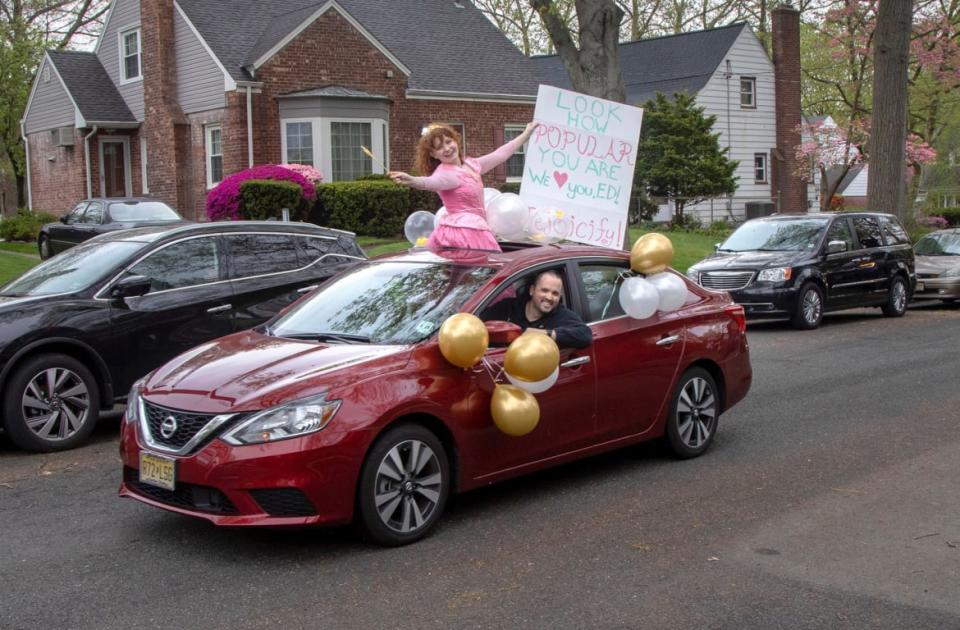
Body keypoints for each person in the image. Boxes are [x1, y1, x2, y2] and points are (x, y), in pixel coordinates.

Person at [389, 121, 539, 251]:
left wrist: (526, 133)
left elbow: (500, 154)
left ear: (456, 141)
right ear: (434, 154)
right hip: (463, 234)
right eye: (440, 147)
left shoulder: (471, 165)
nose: (447, 149)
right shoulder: (446, 174)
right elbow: (429, 182)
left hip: (476, 229)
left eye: (448, 142)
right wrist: (412, 180)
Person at [482, 270, 592, 349]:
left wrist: (545, 334)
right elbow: (478, 324)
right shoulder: (508, 307)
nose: (549, 297)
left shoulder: (561, 315)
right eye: (544, 290)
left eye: (555, 293)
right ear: (531, 290)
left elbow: (585, 334)